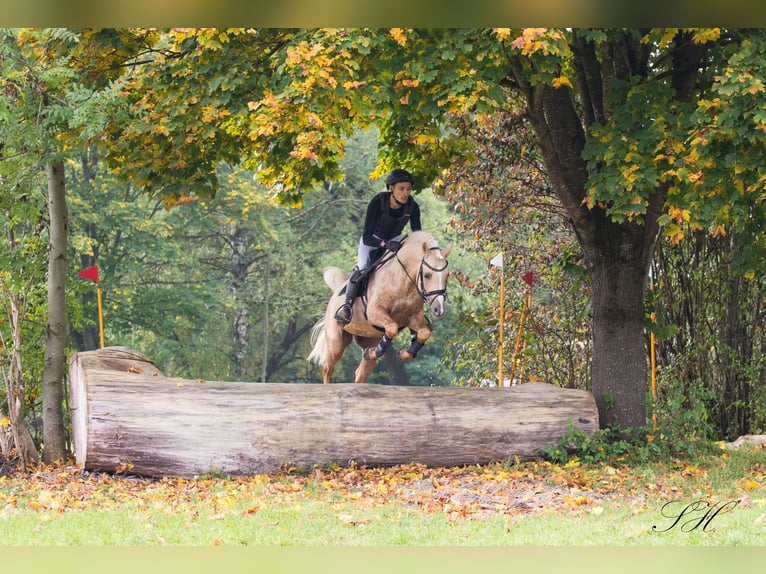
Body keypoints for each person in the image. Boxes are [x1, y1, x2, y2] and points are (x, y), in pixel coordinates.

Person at [334, 168, 422, 325]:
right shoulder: (377, 202)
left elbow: (417, 232)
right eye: (401, 189)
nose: (405, 193)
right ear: (391, 188)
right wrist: (385, 244)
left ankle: (415, 309)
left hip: (395, 240)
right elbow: (367, 236)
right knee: (362, 267)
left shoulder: (412, 206)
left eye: (408, 189)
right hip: (372, 240)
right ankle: (346, 305)